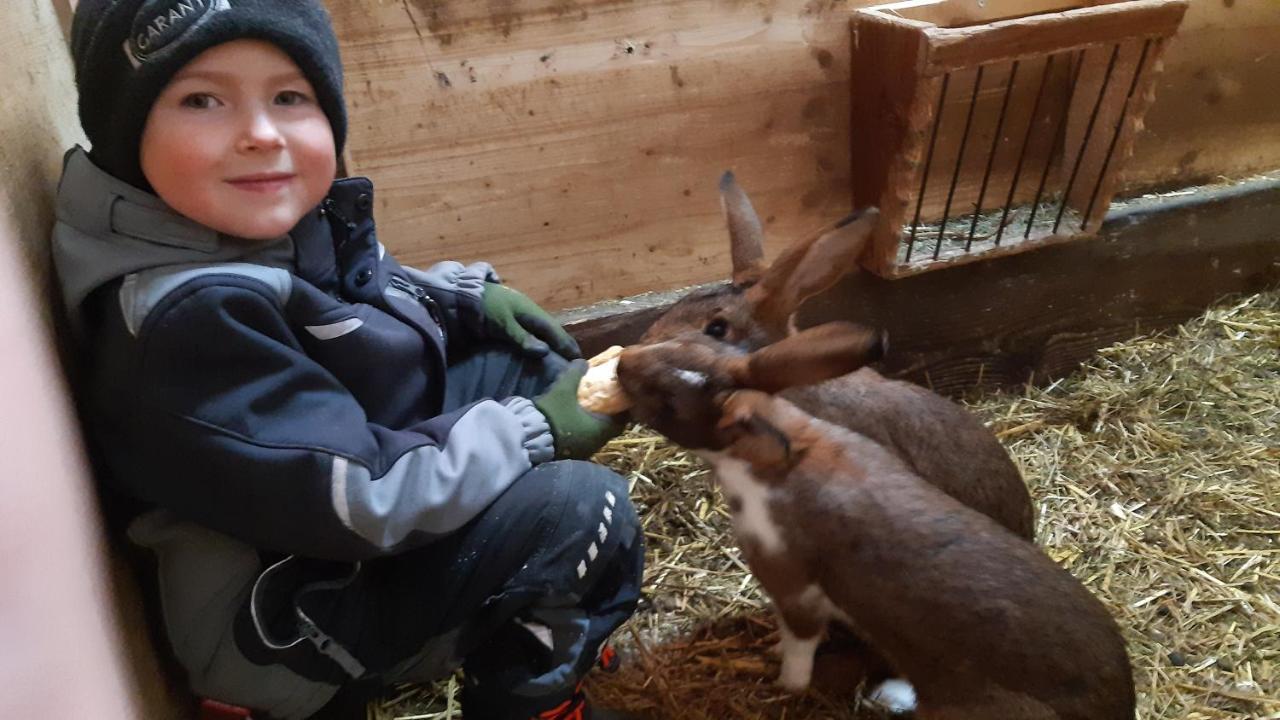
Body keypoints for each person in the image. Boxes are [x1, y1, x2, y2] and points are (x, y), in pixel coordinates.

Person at [52, 1, 643, 718]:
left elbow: (357, 292)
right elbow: (356, 500)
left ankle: (542, 614)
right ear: (124, 124)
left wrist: (465, 301)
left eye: (290, 96)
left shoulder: (226, 219)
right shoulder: (187, 320)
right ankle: (530, 690)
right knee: (582, 509)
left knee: (523, 364)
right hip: (284, 622)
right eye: (202, 99)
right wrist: (533, 432)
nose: (260, 134)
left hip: (321, 502)